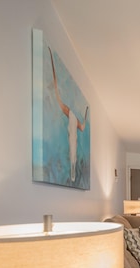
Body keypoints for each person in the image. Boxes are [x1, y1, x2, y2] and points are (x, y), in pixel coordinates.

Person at [48, 47, 89, 183]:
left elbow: (82, 127)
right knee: (73, 154)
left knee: (73, 154)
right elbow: (82, 127)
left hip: (74, 138)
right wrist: (86, 114)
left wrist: (87, 114)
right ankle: (72, 172)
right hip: (73, 139)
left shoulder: (72, 116)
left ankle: (72, 171)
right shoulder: (71, 115)